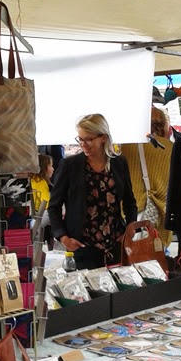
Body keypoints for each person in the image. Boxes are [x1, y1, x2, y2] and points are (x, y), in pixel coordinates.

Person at [48, 113, 137, 269]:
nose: (83, 144)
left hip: (115, 245)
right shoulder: (70, 165)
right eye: (80, 139)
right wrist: (63, 238)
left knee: (117, 291)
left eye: (88, 139)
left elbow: (130, 202)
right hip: (82, 246)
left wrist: (130, 229)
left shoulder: (119, 163)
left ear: (103, 137)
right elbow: (54, 206)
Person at [121, 106, 173, 248]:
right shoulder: (169, 148)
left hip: (131, 209)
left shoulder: (125, 146)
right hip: (160, 210)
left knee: (132, 253)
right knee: (156, 253)